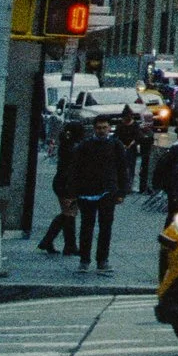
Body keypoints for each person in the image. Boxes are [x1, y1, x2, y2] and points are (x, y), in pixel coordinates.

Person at [60, 116, 130, 274]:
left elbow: (122, 169)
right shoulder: (85, 146)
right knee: (87, 227)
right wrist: (72, 192)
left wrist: (122, 192)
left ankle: (102, 261)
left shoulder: (115, 145)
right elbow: (74, 169)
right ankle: (84, 260)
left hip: (108, 191)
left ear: (109, 128)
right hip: (87, 191)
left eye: (105, 128)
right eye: (99, 128)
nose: (102, 131)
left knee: (105, 228)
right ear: (94, 129)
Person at [36, 120, 84, 254]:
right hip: (67, 184)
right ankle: (56, 242)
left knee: (69, 214)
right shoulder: (72, 148)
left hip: (62, 182)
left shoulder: (66, 144)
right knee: (69, 213)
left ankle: (65, 244)